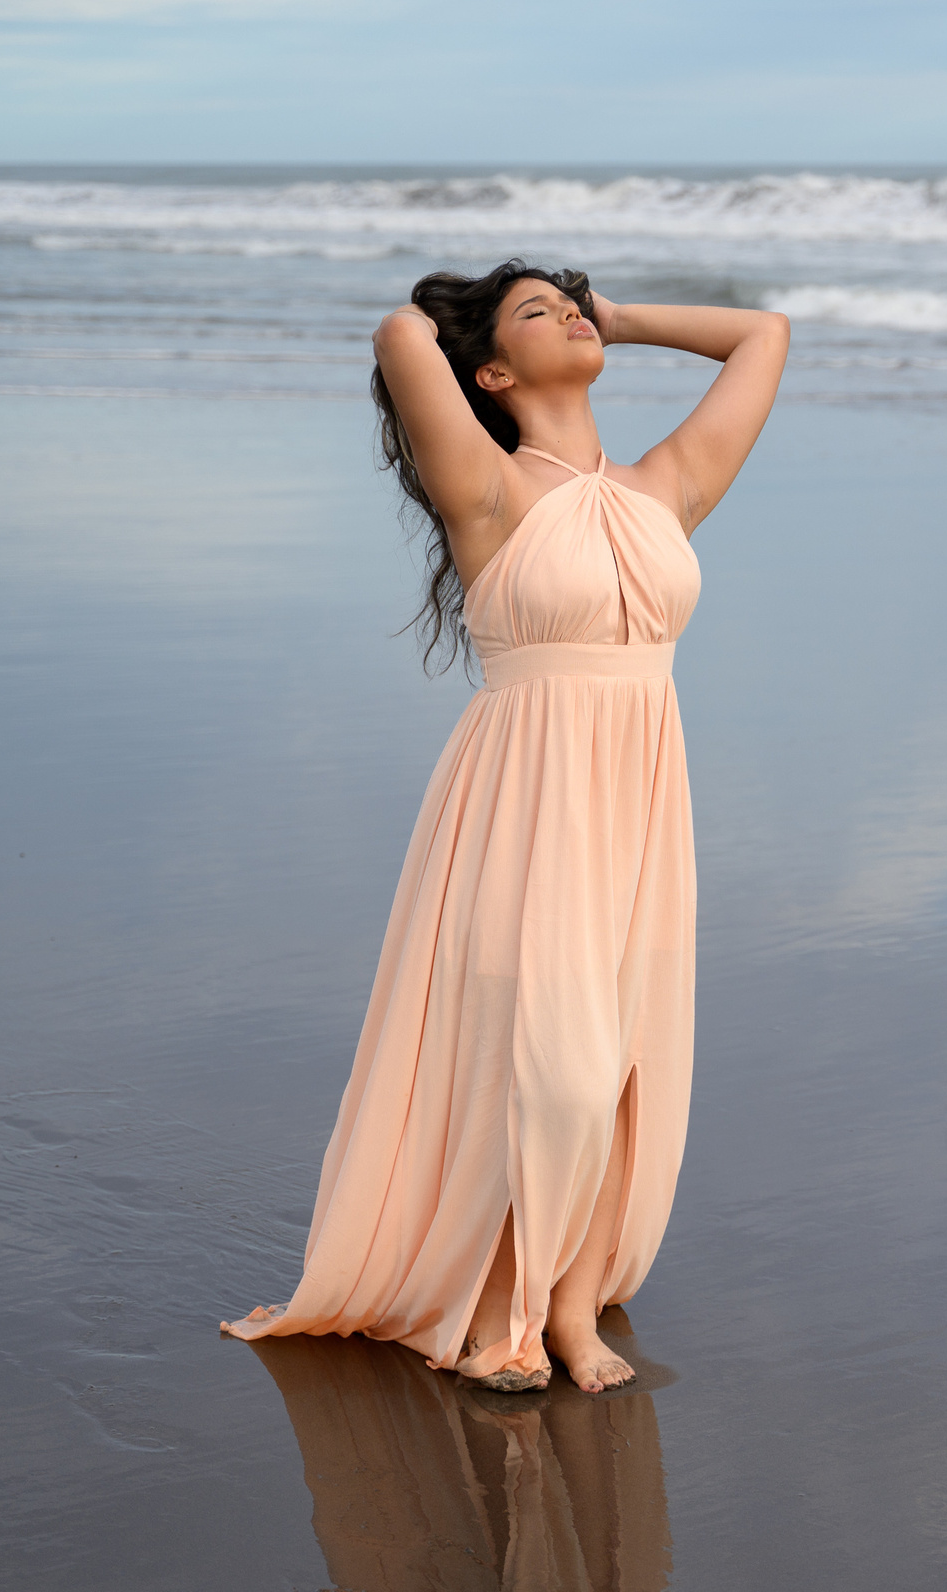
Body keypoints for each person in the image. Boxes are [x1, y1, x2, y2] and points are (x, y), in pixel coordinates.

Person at [222, 260, 788, 1393]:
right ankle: (498, 1304)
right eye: (542, 312)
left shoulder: (664, 486)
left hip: (642, 796)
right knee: (555, 1066)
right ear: (487, 368)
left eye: (578, 304)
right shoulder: (486, 488)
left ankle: (569, 1309)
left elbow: (763, 334)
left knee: (621, 1060)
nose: (575, 315)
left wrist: (613, 318)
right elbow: (396, 331)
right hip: (528, 799)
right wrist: (475, 309)